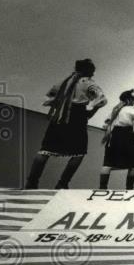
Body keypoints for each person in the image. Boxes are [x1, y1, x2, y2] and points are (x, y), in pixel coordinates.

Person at [25, 58, 107, 189]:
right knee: (79, 151)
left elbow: (47, 98)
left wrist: (59, 103)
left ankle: (31, 182)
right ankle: (62, 183)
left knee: (45, 149)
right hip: (77, 117)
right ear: (90, 71)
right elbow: (101, 99)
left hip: (59, 116)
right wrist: (91, 109)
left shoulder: (64, 81)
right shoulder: (89, 83)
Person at [99, 89, 134, 189]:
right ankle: (129, 188)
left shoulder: (115, 109)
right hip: (127, 136)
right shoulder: (133, 110)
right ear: (130, 100)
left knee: (108, 163)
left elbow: (106, 124)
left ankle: (102, 188)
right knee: (133, 165)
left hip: (113, 136)